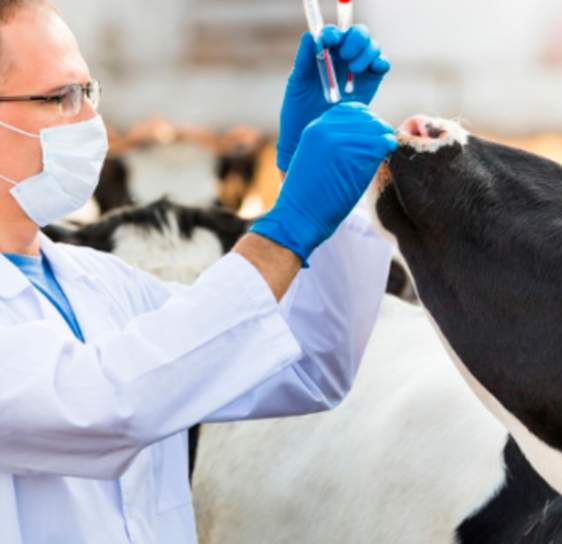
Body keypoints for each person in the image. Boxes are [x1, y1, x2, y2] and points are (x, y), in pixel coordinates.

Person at [0, 1, 397, 542]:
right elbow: (109, 404)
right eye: (62, 96)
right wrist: (289, 225)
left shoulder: (102, 284)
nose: (92, 121)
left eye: (89, 92)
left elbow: (305, 360)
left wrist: (328, 201)